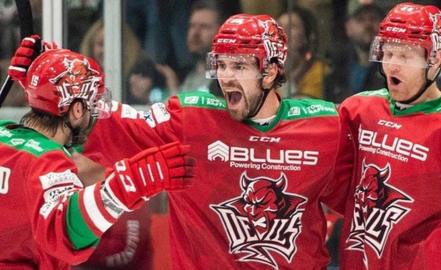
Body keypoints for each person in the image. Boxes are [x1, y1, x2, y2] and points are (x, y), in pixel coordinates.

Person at [77, 14, 346, 269]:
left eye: (239, 66)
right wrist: (55, 82)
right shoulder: (189, 121)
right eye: (222, 64)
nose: (226, 76)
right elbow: (107, 121)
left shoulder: (325, 125)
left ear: (271, 73)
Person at [0, 37, 195, 269]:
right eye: (93, 106)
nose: (97, 116)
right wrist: (124, 187)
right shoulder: (48, 162)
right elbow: (65, 234)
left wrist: (42, 75)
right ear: (77, 110)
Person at [336, 3, 441, 269]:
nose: (393, 65)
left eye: (406, 56)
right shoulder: (357, 111)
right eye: (388, 53)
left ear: (434, 60)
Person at [325, 4, 385, 103]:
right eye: (360, 20)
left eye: (373, 19)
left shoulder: (390, 68)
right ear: (348, 28)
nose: (368, 25)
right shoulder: (335, 67)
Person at [277, 5, 330, 99]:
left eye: (292, 26)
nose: (283, 31)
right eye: (279, 26)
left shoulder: (319, 70)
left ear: (307, 36)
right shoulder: (270, 71)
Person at [179, 1, 222, 93]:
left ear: (220, 32)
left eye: (204, 27)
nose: (195, 33)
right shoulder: (190, 74)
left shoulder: (224, 78)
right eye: (192, 26)